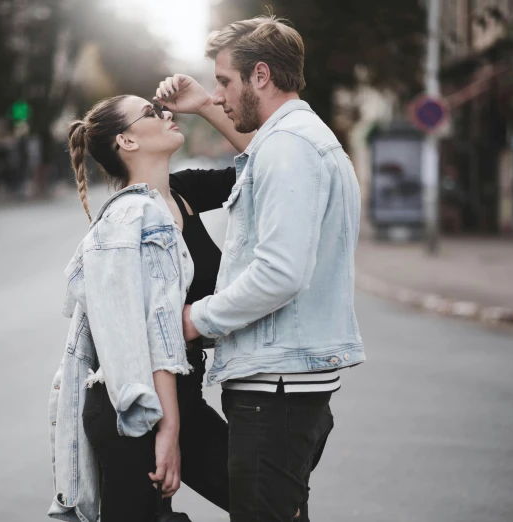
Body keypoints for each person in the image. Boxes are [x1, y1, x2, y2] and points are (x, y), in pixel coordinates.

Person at [163, 16, 366, 522]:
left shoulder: (289, 149)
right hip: (287, 386)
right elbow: (257, 152)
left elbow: (280, 273)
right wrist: (205, 106)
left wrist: (195, 320)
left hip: (274, 390)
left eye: (224, 82)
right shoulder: (297, 139)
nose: (218, 94)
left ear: (260, 75)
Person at [48, 89, 252, 522]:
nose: (164, 112)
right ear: (127, 141)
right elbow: (150, 331)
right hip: (132, 407)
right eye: (151, 112)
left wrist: (202, 105)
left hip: (182, 399)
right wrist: (168, 428)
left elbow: (264, 162)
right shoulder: (127, 221)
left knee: (263, 496)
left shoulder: (183, 192)